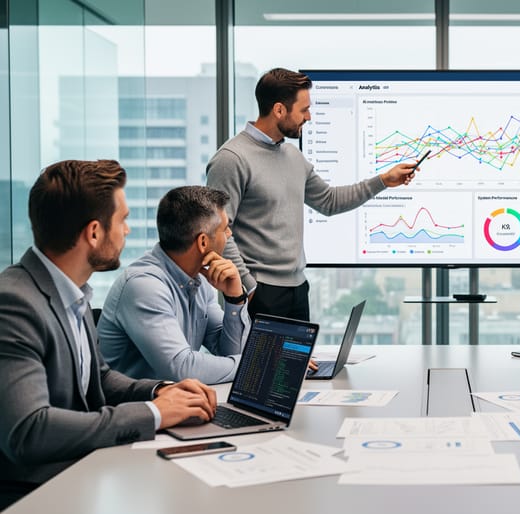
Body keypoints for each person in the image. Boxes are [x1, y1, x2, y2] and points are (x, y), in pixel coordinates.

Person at [0, 160, 217, 509]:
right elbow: (30, 430)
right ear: (94, 233)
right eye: (123, 219)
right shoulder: (15, 303)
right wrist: (155, 413)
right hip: (33, 493)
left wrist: (163, 391)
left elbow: (98, 379)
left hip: (81, 471)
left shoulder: (72, 291)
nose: (127, 231)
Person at [207, 68, 417, 322]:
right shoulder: (232, 159)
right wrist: (248, 288)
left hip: (297, 289)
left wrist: (384, 180)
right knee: (264, 363)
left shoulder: (292, 156)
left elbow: (329, 201)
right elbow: (216, 230)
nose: (309, 116)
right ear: (279, 110)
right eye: (303, 109)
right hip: (260, 291)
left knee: (300, 362)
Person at [98, 186, 250, 384]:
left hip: (177, 404)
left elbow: (230, 352)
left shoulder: (199, 280)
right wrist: (254, 366)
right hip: (135, 409)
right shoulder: (144, 286)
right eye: (225, 228)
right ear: (203, 242)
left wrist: (235, 299)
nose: (229, 234)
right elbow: (181, 368)